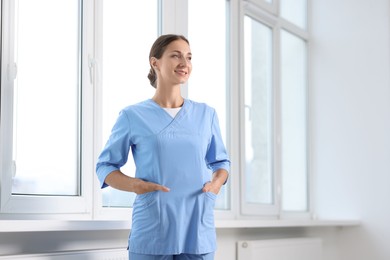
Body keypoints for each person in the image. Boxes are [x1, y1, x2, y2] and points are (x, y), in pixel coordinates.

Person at [96, 34, 230, 260]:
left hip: (197, 227)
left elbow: (221, 162)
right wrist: (135, 185)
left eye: (188, 57)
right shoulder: (132, 115)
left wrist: (216, 183)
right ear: (155, 62)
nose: (185, 63)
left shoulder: (206, 114)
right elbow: (105, 167)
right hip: (153, 229)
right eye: (176, 56)